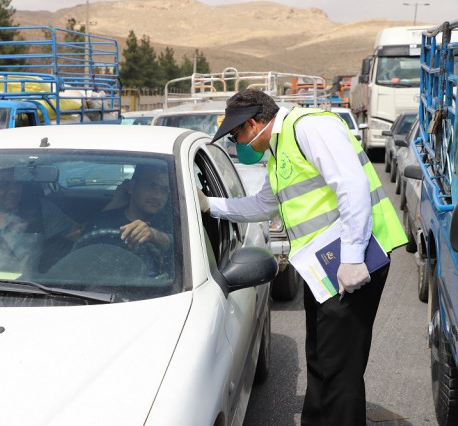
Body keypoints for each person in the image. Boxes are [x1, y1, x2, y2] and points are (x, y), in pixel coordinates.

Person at [197, 89, 408, 426]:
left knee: (340, 370)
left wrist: (352, 258)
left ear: (253, 124)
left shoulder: (309, 128)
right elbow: (264, 205)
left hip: (355, 262)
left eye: (237, 135)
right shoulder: (279, 150)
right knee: (320, 359)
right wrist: (211, 205)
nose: (239, 144)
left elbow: (351, 186)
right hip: (322, 268)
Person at [82, 163, 173, 275]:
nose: (158, 196)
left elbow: (179, 248)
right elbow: (81, 256)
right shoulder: (103, 221)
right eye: (151, 185)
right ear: (131, 187)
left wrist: (153, 235)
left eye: (164, 190)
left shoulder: (173, 222)